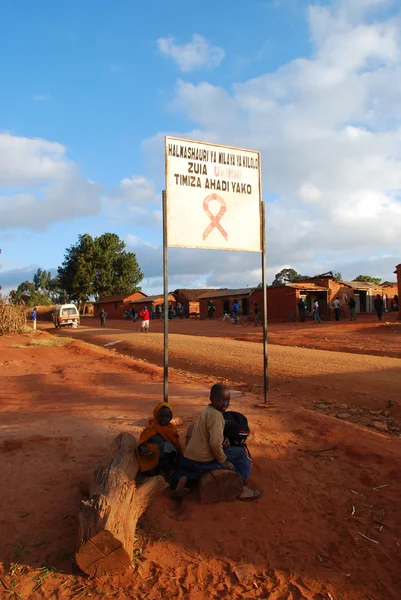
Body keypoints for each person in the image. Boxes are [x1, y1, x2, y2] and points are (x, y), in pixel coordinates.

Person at [171, 383, 263, 501]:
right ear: (211, 399)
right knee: (239, 453)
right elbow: (214, 444)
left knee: (226, 452)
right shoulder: (217, 417)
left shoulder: (207, 410)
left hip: (190, 456)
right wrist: (223, 460)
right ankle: (243, 488)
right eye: (221, 400)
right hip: (203, 459)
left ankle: (184, 478)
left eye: (227, 400)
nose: (225, 403)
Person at [137, 402, 182, 476]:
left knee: (167, 446)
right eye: (161, 416)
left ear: (170, 417)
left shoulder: (171, 429)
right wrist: (142, 448)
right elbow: (140, 444)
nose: (164, 419)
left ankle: (167, 471)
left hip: (168, 459)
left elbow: (176, 446)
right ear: (156, 415)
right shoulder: (150, 429)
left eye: (167, 416)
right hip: (153, 458)